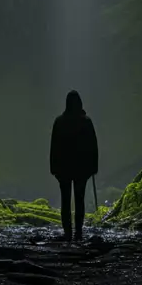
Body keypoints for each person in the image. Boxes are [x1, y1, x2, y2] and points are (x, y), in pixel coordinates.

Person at [50, 90, 98, 242]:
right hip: (81, 169)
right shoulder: (86, 122)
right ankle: (78, 232)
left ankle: (68, 232)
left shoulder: (59, 121)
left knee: (65, 201)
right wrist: (93, 167)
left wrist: (54, 168)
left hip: (64, 169)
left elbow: (54, 147)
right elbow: (93, 147)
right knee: (79, 200)